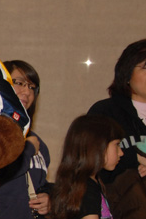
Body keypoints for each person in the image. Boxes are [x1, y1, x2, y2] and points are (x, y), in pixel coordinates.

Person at [88, 38, 146, 218]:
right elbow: (89, 155)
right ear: (127, 73)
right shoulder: (105, 111)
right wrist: (136, 157)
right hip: (121, 202)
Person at [0, 60, 51, 218]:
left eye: (32, 87)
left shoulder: (37, 143)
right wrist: (27, 150)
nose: (27, 92)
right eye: (20, 83)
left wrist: (48, 197)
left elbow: (40, 184)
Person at [49, 114, 124, 219]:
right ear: (97, 147)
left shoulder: (88, 184)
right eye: (117, 145)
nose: (121, 153)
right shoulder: (87, 190)